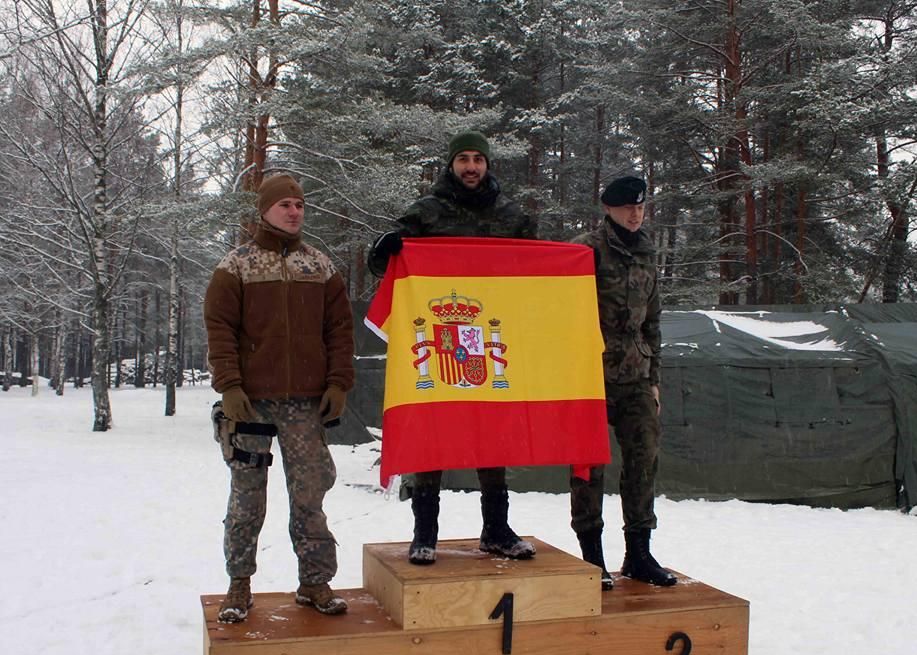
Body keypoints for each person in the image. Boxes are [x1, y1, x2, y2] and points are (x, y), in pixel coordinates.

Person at [368, 130, 537, 565]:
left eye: (478, 159)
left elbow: (537, 270)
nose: (471, 167)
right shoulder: (426, 212)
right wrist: (382, 248)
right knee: (434, 427)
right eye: (462, 158)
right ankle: (425, 531)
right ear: (451, 164)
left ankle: (496, 529)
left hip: (494, 336)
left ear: (488, 164)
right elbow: (387, 261)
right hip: (440, 332)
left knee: (493, 428)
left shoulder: (512, 217)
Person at [204, 173, 356, 622]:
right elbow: (219, 331)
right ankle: (239, 583)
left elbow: (340, 332)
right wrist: (229, 386)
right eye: (285, 205)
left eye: (300, 205)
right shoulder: (236, 267)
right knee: (247, 497)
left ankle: (314, 582)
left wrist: (337, 383)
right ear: (265, 210)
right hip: (250, 404)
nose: (294, 212)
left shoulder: (321, 267)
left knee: (310, 495)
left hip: (306, 404)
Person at [568, 175, 676, 590]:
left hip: (635, 376)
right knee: (587, 467)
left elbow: (652, 322)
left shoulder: (647, 251)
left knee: (643, 461)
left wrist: (654, 379)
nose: (636, 214)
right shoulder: (585, 249)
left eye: (641, 207)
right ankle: (592, 558)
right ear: (609, 209)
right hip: (590, 374)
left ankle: (639, 553)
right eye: (628, 207)